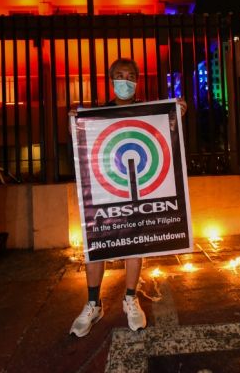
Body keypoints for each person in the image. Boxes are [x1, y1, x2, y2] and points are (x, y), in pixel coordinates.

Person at [69, 58, 187, 337]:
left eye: (130, 75)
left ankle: (130, 298)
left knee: (136, 241)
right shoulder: (97, 113)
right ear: (111, 80)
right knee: (97, 242)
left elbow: (166, 136)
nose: (125, 80)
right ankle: (93, 303)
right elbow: (81, 144)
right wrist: (74, 120)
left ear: (137, 80)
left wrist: (176, 114)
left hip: (139, 190)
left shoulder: (147, 111)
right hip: (106, 190)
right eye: (119, 75)